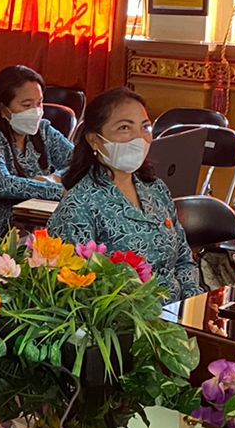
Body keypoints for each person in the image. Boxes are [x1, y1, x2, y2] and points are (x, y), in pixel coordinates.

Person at [49, 88, 203, 300]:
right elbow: (76, 290)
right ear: (95, 140)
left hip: (176, 313)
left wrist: (192, 304)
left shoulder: (155, 189)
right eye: (124, 128)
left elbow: (184, 259)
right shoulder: (79, 206)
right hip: (125, 321)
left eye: (145, 127)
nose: (139, 138)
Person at [0, 64, 74, 235]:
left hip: (35, 216)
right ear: (4, 109)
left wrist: (55, 177)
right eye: (26, 105)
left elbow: (79, 161)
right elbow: (0, 184)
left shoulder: (43, 131)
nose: (36, 111)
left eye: (39, 103)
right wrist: (56, 190)